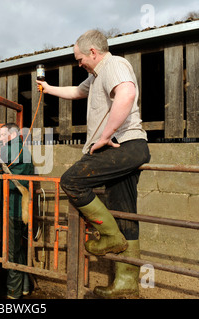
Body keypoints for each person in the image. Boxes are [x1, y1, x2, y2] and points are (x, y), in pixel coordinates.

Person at [37, 29, 151, 298]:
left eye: (79, 59)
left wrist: (105, 135)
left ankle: (109, 236)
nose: (78, 64)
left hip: (124, 145)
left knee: (72, 181)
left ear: (92, 52)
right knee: (123, 210)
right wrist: (48, 88)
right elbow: (77, 92)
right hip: (126, 148)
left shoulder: (114, 64)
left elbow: (126, 94)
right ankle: (127, 282)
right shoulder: (96, 76)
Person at [0, 123, 34, 299]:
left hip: (12, 207)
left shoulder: (10, 150)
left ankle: (13, 293)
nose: (0, 138)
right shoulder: (23, 150)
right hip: (23, 209)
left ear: (12, 134)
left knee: (11, 251)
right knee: (19, 249)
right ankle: (25, 286)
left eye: (3, 135)